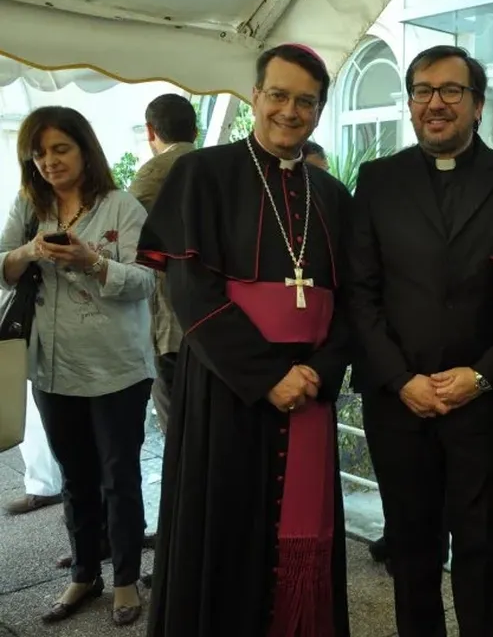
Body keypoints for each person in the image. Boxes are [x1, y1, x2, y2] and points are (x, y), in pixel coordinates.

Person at [137, 43, 354, 637]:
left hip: (310, 390)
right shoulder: (202, 174)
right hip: (227, 388)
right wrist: (267, 376)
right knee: (225, 530)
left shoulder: (331, 196)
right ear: (254, 97)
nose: (289, 110)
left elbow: (354, 299)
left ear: (319, 109)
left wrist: (319, 371)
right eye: (278, 95)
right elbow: (191, 293)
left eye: (305, 101)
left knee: (301, 533)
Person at [347, 44, 493, 637]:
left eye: (451, 91)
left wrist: (483, 374)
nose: (436, 103)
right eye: (423, 91)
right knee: (411, 545)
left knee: (480, 548)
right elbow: (359, 292)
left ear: (478, 105)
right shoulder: (378, 180)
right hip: (398, 401)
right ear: (409, 105)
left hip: (481, 398)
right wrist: (400, 379)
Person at [0, 106, 156, 626]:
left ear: (85, 149)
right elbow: (2, 265)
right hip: (51, 367)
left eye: (60, 149)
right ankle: (84, 574)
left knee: (119, 476)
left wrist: (92, 260)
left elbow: (146, 283)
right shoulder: (29, 205)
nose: (49, 162)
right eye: (39, 153)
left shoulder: (122, 207)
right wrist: (28, 250)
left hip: (117, 368)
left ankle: (127, 579)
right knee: (75, 477)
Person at [131, 93, 198, 434]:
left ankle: (182, 487)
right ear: (196, 131)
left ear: (150, 131)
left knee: (175, 422)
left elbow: (128, 246)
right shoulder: (214, 165)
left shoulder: (151, 175)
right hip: (215, 317)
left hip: (168, 321)